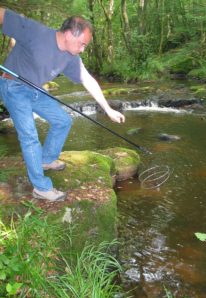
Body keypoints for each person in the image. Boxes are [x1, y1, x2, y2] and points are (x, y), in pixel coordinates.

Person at [0, 8, 125, 202]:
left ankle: (47, 159)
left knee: (63, 121)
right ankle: (41, 188)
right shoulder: (35, 32)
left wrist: (108, 109)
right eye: (82, 44)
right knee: (30, 137)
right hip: (13, 87)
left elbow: (88, 80)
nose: (83, 49)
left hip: (35, 89)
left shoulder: (71, 57)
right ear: (68, 34)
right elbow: (3, 14)